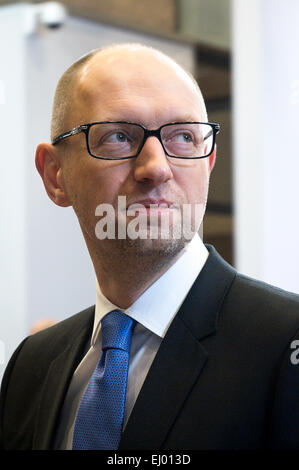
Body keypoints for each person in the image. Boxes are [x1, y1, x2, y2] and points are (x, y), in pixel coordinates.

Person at [0, 43, 298, 451]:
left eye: (183, 137)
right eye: (119, 137)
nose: (156, 167)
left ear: (207, 163)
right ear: (55, 175)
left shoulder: (285, 346)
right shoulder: (31, 366)